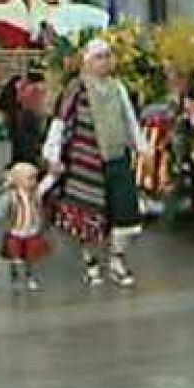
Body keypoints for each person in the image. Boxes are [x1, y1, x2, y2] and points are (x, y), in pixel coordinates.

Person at [45, 38, 150, 288]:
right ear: (88, 62)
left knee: (127, 214)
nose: (105, 61)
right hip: (86, 161)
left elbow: (129, 118)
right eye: (99, 57)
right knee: (88, 216)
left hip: (117, 158)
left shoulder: (118, 87)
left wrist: (141, 146)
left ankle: (116, 260)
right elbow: (60, 123)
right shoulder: (76, 89)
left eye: (107, 56)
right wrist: (52, 155)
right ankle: (90, 261)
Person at [0, 162, 50, 292]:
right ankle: (16, 277)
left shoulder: (36, 194)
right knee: (16, 257)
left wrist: (52, 174)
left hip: (32, 231)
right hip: (16, 232)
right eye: (29, 178)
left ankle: (30, 276)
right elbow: (0, 209)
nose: (33, 182)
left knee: (31, 257)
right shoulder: (11, 196)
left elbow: (46, 185)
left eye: (35, 178)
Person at [0, 60, 48, 168]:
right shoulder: (40, 86)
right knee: (31, 140)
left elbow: (20, 98)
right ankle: (29, 161)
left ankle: (26, 161)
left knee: (25, 140)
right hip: (34, 115)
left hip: (28, 115)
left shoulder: (26, 86)